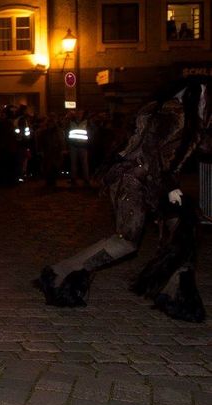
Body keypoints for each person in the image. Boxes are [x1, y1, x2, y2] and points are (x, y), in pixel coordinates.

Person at [37, 80, 211, 322]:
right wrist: (171, 187)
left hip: (154, 181)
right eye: (204, 95)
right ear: (195, 94)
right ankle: (60, 274)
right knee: (127, 241)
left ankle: (175, 292)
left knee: (180, 232)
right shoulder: (173, 113)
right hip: (135, 180)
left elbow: (197, 148)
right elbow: (152, 149)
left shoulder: (181, 115)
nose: (206, 100)